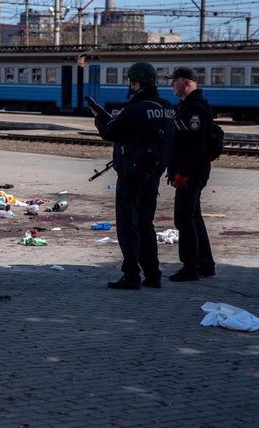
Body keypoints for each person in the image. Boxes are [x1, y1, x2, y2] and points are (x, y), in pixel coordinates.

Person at [93, 62, 175, 290]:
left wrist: (99, 117)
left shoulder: (135, 109)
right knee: (146, 224)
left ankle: (131, 275)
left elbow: (110, 132)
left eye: (131, 82)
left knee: (128, 225)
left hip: (132, 174)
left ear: (136, 83)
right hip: (155, 173)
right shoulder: (168, 108)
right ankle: (153, 274)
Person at [167, 66, 216, 282]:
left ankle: (191, 266)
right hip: (193, 171)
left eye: (174, 81)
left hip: (191, 173)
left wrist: (183, 173)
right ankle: (206, 264)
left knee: (184, 219)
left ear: (185, 82)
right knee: (194, 217)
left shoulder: (194, 108)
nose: (171, 85)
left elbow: (195, 146)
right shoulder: (190, 105)